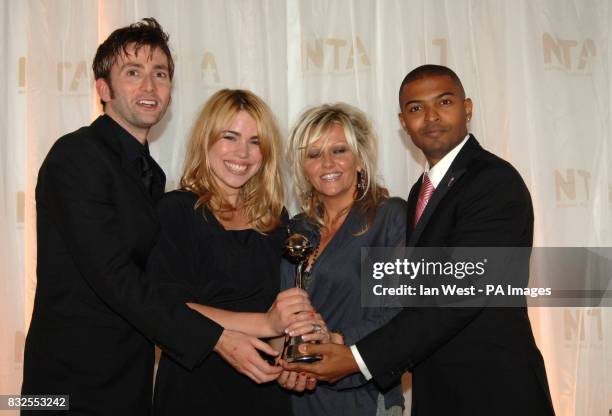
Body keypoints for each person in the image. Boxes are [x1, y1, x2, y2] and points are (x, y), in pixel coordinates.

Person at [21, 19, 278, 415]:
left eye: (160, 74)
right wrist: (218, 338)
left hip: (131, 380)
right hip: (66, 385)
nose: (149, 86)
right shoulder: (76, 157)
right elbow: (116, 278)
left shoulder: (150, 174)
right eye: (133, 73)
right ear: (103, 89)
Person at [284, 65, 556, 416]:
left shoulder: (493, 182)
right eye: (415, 108)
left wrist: (356, 357)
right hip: (440, 390)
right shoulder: (422, 193)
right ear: (403, 122)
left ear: (467, 109)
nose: (430, 117)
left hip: (493, 391)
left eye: (444, 102)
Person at [148, 89, 317, 415]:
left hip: (264, 392)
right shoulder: (177, 210)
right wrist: (267, 324)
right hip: (195, 389)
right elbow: (167, 306)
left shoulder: (275, 217)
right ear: (206, 140)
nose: (243, 153)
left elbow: (278, 309)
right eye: (230, 137)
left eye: (255, 142)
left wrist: (291, 357)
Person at [279, 103, 407, 415]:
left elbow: (400, 312)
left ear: (360, 160)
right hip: (299, 395)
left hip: (362, 393)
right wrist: (282, 360)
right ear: (303, 167)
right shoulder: (297, 227)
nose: (327, 163)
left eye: (339, 150)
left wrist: (337, 339)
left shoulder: (389, 217)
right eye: (314, 154)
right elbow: (280, 313)